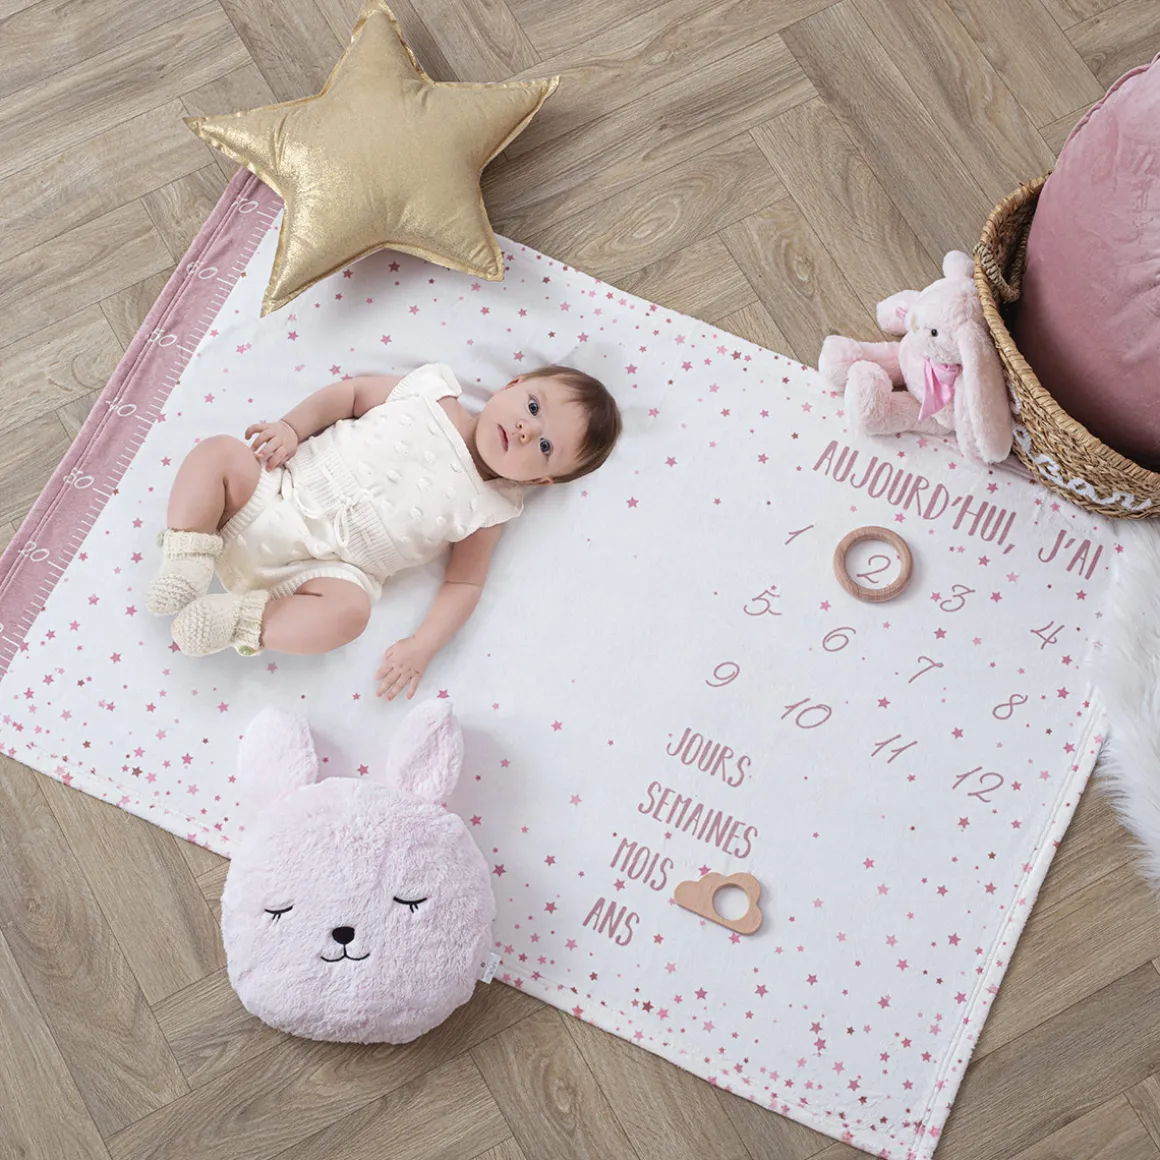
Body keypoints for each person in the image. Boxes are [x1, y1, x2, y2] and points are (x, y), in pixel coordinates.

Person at [145, 362, 621, 699]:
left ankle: (236, 619)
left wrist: (424, 644)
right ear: (513, 384)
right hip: (276, 491)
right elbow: (350, 396)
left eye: (544, 447)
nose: (524, 430)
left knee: (351, 614)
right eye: (533, 406)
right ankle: (187, 559)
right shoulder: (430, 391)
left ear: (539, 482)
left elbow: (464, 583)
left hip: (325, 571)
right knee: (220, 453)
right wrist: (291, 427)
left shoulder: (492, 506)